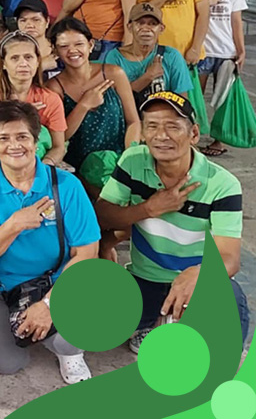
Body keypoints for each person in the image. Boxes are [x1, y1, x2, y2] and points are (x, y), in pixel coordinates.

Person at [95, 91, 248, 351]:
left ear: (194, 134)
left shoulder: (222, 184)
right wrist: (149, 208)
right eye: (152, 126)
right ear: (142, 133)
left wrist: (197, 274)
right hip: (145, 279)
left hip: (195, 282)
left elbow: (229, 259)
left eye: (173, 127)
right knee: (95, 326)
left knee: (224, 338)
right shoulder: (133, 161)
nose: (161, 135)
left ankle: (171, 326)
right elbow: (102, 214)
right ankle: (157, 323)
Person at [0, 100, 98, 384]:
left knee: (68, 340)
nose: (14, 145)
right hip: (3, 287)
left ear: (37, 141)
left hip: (59, 281)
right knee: (6, 363)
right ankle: (32, 326)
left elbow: (87, 253)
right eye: (3, 138)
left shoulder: (66, 185)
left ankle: (67, 347)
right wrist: (13, 225)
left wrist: (49, 305)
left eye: (22, 136)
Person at [45, 19, 140, 173]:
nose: (72, 51)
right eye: (64, 46)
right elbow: (60, 138)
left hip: (119, 160)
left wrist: (129, 158)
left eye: (79, 44)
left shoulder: (114, 74)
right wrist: (83, 106)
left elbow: (133, 121)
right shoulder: (54, 87)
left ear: (90, 45)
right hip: (78, 167)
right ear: (55, 51)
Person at [0, 31, 68, 165]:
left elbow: (59, 147)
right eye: (15, 58)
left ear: (37, 61)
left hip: (36, 164)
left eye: (28, 57)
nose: (23, 63)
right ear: (4, 64)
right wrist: (18, 114)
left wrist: (44, 168)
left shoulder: (50, 99)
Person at [195, 0, 247, 156]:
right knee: (195, 96)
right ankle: (193, 135)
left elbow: (236, 21)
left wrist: (241, 49)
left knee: (223, 98)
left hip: (226, 52)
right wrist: (207, 1)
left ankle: (219, 139)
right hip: (201, 50)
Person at [103, 3, 194, 103]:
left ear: (161, 29)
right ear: (129, 27)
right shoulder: (115, 57)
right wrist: (148, 76)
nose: (146, 29)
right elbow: (115, 101)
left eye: (152, 24)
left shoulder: (172, 56)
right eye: (140, 23)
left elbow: (182, 100)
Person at [14, 0, 59, 76]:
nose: (29, 25)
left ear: (47, 21)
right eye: (23, 21)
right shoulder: (11, 52)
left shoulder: (60, 50)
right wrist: (41, 66)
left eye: (36, 20)